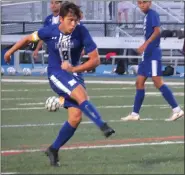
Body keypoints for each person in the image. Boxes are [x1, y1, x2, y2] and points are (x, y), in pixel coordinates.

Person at [4, 1, 115, 167]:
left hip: (74, 74)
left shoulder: (81, 31)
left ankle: (53, 149)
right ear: (61, 19)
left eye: (76, 20)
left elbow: (96, 60)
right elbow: (28, 38)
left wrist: (74, 68)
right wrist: (10, 51)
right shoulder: (49, 31)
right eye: (70, 20)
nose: (73, 24)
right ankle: (102, 125)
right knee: (81, 94)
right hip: (56, 73)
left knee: (75, 118)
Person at [121, 0, 184, 121]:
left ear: (150, 3)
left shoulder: (153, 14)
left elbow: (157, 31)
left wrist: (145, 44)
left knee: (157, 81)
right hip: (147, 55)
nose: (142, 5)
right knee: (139, 82)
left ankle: (177, 110)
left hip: (153, 54)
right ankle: (135, 114)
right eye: (139, 3)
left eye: (144, 2)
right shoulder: (147, 16)